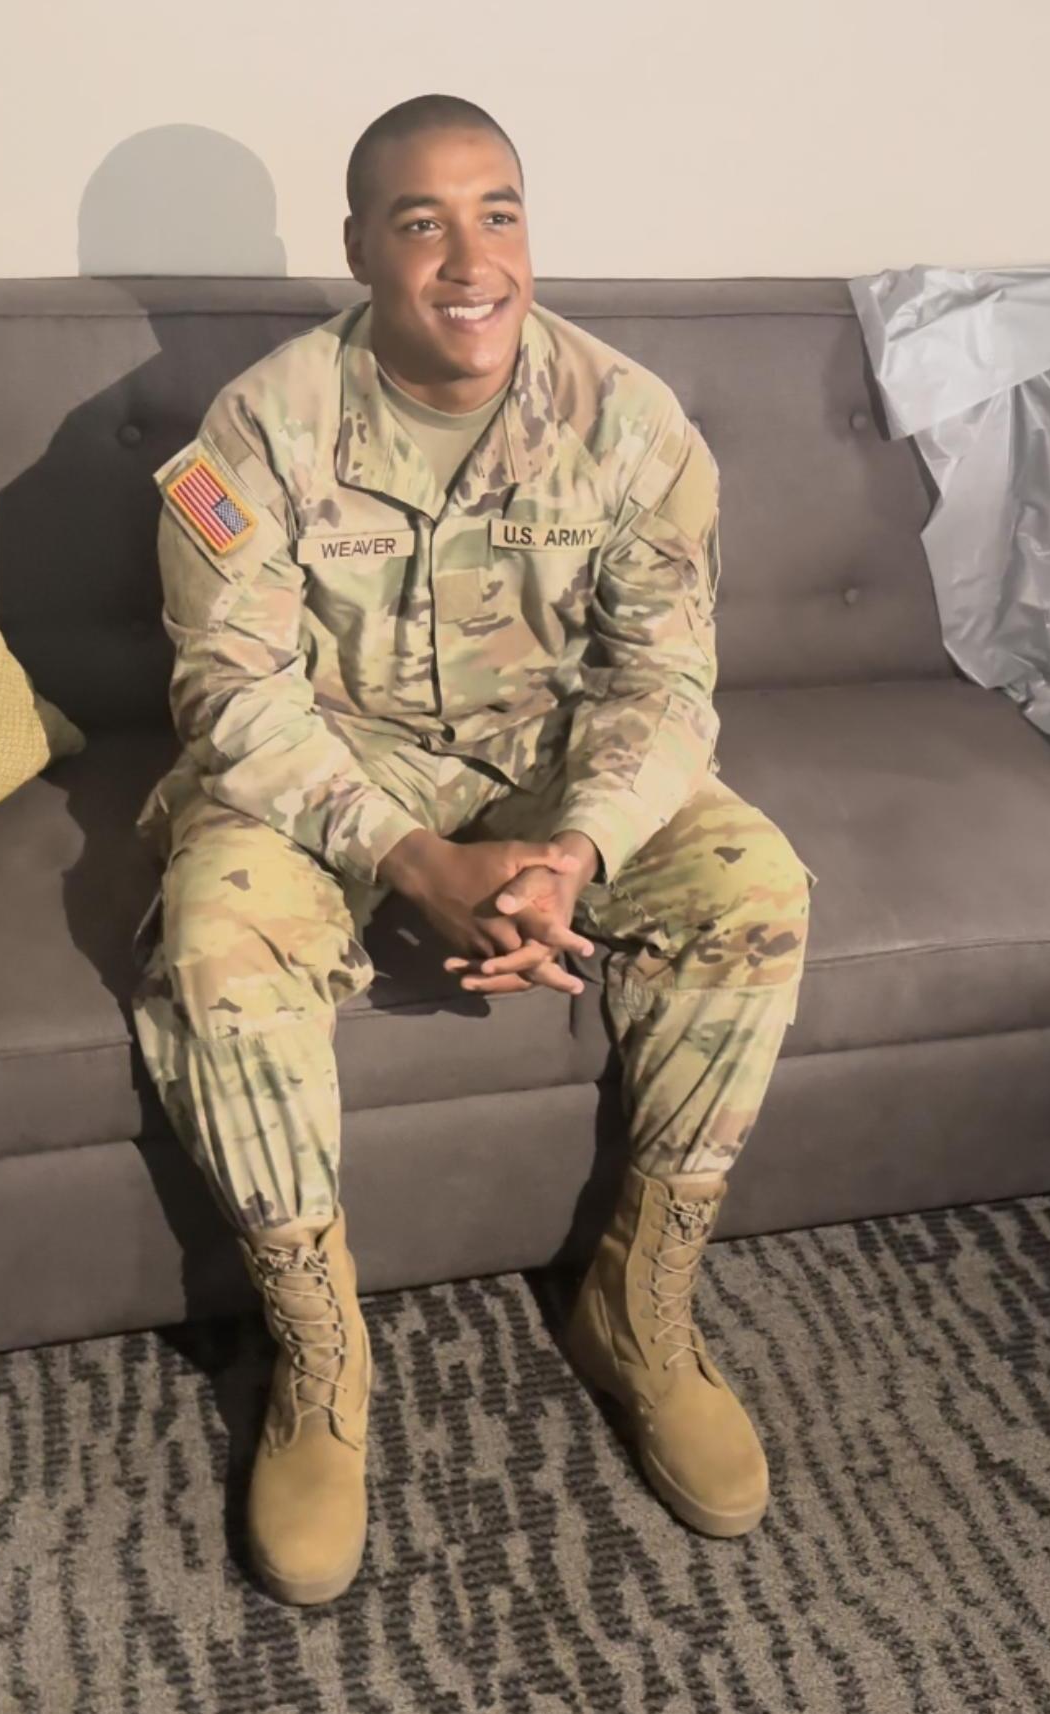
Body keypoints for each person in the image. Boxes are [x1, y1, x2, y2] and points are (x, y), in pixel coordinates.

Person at [132, 92, 818, 1608]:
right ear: (360, 248)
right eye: (422, 221)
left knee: (753, 888)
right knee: (215, 939)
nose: (470, 257)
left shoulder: (631, 421)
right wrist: (408, 858)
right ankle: (320, 1358)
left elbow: (664, 684)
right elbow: (232, 695)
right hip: (336, 763)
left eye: (497, 212)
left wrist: (572, 852)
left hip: (550, 766)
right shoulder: (256, 429)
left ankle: (641, 1304)